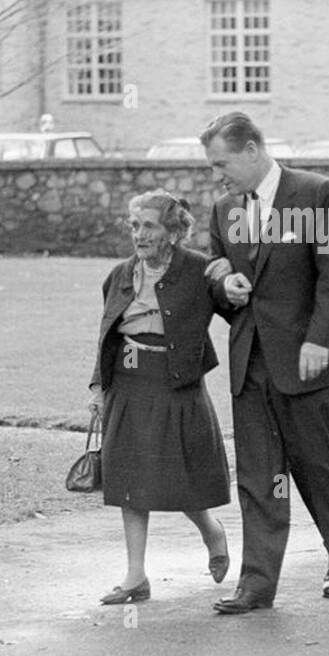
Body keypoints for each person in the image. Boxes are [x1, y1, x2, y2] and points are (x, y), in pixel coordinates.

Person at [200, 112, 329, 614]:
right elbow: (215, 272)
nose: (217, 175)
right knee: (257, 475)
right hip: (251, 363)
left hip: (305, 359)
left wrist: (320, 341)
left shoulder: (313, 194)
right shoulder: (225, 209)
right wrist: (224, 286)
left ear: (252, 150)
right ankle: (257, 584)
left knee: (316, 465)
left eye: (222, 163)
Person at [88, 189, 231, 604]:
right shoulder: (118, 275)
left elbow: (237, 312)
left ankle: (212, 530)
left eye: (148, 226)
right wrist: (98, 388)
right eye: (134, 226)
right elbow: (106, 335)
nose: (139, 235)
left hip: (176, 385)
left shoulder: (200, 272)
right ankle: (135, 577)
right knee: (130, 479)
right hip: (128, 384)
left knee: (178, 476)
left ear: (172, 232)